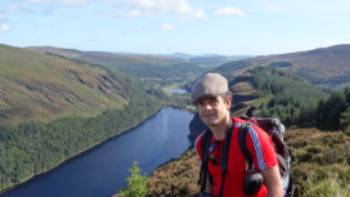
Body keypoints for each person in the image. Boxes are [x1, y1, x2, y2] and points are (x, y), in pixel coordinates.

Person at [193, 73, 283, 197]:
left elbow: (275, 187)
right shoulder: (202, 142)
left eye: (213, 101)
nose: (207, 108)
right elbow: (208, 184)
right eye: (201, 104)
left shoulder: (252, 136)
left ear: (227, 102)